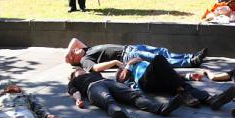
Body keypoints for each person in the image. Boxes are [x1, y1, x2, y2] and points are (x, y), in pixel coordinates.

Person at [68, 67, 182, 118]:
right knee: (107, 99)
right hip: (93, 88)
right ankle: (120, 115)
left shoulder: (94, 73)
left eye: (80, 69)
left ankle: (161, 108)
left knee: (134, 96)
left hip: (108, 81)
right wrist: (78, 100)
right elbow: (73, 91)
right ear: (74, 76)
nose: (79, 70)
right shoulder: (75, 81)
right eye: (77, 71)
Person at [116, 54, 235, 109]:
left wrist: (187, 76)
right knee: (159, 58)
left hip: (157, 82)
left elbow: (170, 74)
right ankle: (183, 93)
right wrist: (126, 66)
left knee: (181, 84)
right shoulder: (127, 69)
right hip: (145, 82)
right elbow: (122, 77)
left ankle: (209, 99)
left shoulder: (148, 65)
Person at [64, 37, 207, 70]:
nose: (75, 48)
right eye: (74, 52)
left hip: (130, 47)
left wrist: (67, 53)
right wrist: (114, 63)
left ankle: (190, 56)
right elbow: (94, 68)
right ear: (77, 59)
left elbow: (74, 39)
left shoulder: (87, 49)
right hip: (126, 56)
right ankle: (191, 62)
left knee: (162, 51)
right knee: (157, 58)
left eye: (74, 49)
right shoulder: (85, 59)